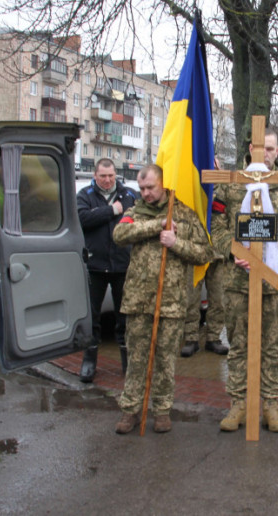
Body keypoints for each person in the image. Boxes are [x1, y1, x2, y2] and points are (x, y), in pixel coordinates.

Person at [211, 129, 278, 433]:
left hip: (276, 284)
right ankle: (238, 404)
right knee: (239, 345)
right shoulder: (231, 185)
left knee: (271, 347)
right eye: (258, 147)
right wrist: (234, 251)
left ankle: (270, 404)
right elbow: (215, 229)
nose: (264, 153)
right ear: (250, 148)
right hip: (237, 282)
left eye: (269, 148)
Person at [111, 164, 213, 434]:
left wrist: (175, 243)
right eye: (142, 188)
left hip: (170, 302)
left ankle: (162, 409)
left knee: (165, 361)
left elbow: (204, 253)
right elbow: (119, 235)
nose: (145, 193)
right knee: (137, 359)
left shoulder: (184, 215)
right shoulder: (135, 212)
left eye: (150, 188)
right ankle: (130, 409)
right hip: (138, 300)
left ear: (164, 184)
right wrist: (156, 226)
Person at [76, 158, 139, 382]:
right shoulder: (85, 195)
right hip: (95, 266)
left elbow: (140, 219)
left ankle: (127, 364)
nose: (107, 179)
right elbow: (82, 218)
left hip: (123, 265)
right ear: (95, 176)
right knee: (92, 317)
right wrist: (112, 211)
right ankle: (89, 361)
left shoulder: (129, 195)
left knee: (124, 317)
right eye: (103, 176)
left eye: (111, 175)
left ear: (115, 175)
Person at [181, 156, 229, 358]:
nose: (211, 169)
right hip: (196, 252)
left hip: (218, 254)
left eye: (215, 166)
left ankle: (213, 337)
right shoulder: (192, 190)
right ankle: (190, 338)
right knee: (191, 299)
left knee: (218, 299)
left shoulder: (227, 192)